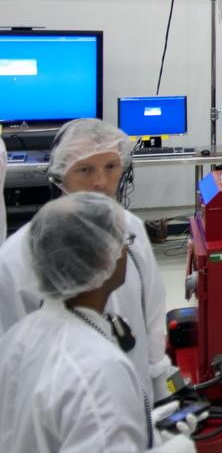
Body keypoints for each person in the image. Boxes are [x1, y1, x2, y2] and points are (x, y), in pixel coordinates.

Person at [0, 119, 178, 404]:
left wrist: (161, 385)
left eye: (111, 167)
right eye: (85, 170)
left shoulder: (130, 231)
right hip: (60, 406)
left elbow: (153, 313)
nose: (101, 182)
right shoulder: (17, 256)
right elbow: (11, 345)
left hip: (134, 392)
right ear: (60, 176)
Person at [0, 193, 194, 452]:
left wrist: (141, 431)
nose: (128, 250)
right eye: (124, 241)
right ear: (105, 259)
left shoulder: (21, 335)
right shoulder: (99, 367)